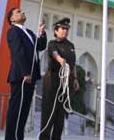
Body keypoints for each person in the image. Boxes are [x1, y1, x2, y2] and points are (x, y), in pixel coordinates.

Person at [5, 7, 46, 140]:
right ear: (11, 19)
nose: (22, 12)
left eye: (22, 11)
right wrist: (25, 72)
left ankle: (19, 137)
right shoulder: (13, 31)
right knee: (16, 110)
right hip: (21, 77)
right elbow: (17, 52)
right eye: (18, 12)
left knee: (24, 111)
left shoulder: (28, 32)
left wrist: (42, 34)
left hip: (30, 76)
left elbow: (39, 46)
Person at [39, 18, 77, 140]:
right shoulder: (52, 44)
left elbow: (73, 64)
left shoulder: (71, 45)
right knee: (49, 113)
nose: (65, 31)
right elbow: (55, 54)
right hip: (52, 81)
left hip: (66, 83)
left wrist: (75, 79)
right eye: (62, 29)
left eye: (67, 29)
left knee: (60, 116)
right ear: (56, 31)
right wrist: (60, 60)